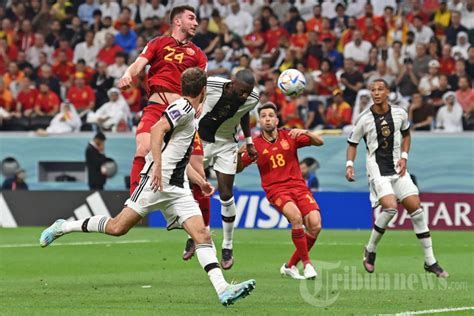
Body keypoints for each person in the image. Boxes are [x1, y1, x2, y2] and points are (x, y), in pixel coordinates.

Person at [40, 68, 256, 306]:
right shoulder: (182, 108)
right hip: (156, 183)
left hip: (178, 186)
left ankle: (223, 288)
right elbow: (156, 129)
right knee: (116, 228)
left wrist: (200, 181)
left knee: (202, 234)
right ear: (204, 90)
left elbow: (178, 155)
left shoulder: (193, 112)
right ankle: (64, 226)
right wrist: (157, 166)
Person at [345, 79, 448, 278]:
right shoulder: (364, 119)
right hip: (377, 169)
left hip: (397, 167)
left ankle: (430, 261)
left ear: (388, 92)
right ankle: (370, 249)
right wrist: (349, 165)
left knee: (416, 210)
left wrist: (404, 157)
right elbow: (352, 143)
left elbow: (407, 135)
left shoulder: (400, 113)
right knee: (391, 207)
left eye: (380, 89)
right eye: (373, 90)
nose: (376, 93)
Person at [117, 5, 207, 196]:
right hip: (157, 108)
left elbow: (203, 86)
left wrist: (201, 105)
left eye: (196, 19)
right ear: (177, 21)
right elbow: (138, 64)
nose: (196, 23)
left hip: (183, 113)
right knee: (143, 148)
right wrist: (127, 74)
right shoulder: (158, 43)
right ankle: (133, 202)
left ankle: (202, 225)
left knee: (198, 170)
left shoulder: (198, 54)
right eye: (191, 18)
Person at [237, 102, 324, 280]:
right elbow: (238, 169)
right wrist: (239, 155)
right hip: (276, 190)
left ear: (277, 120)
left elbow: (319, 142)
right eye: (263, 116)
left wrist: (305, 132)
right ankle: (307, 265)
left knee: (315, 225)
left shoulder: (289, 135)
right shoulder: (254, 144)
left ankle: (290, 266)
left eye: (271, 115)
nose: (267, 119)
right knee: (296, 218)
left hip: (299, 187)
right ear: (259, 121)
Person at [182, 69, 259, 269]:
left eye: (248, 92)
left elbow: (243, 113)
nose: (244, 96)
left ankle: (227, 245)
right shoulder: (212, 85)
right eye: (242, 91)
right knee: (195, 187)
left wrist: (249, 142)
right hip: (201, 142)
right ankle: (196, 234)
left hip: (227, 144)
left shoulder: (252, 98)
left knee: (226, 194)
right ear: (232, 83)